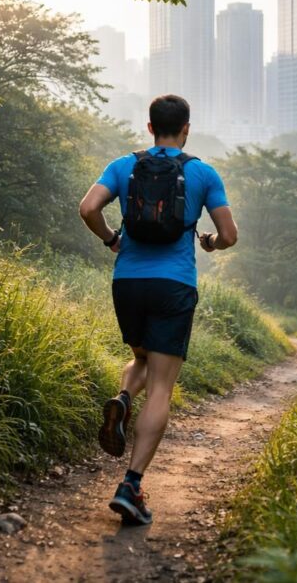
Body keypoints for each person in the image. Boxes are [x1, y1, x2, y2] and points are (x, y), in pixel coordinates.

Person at [78, 94, 238, 526]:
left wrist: (112, 239)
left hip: (127, 281)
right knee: (163, 384)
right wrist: (209, 243)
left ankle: (125, 398)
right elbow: (229, 234)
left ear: (149, 128)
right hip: (173, 285)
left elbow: (88, 208)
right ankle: (131, 484)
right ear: (187, 127)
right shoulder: (202, 172)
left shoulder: (123, 165)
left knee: (141, 357)